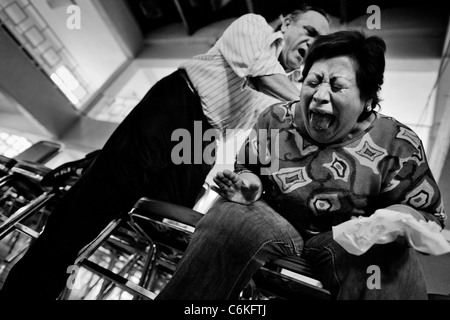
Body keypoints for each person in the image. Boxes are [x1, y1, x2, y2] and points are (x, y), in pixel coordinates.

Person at [0, 4, 330, 300]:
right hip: (177, 104)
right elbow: (260, 75)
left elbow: (269, 139)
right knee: (93, 206)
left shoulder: (287, 90)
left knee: (164, 218)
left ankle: (95, 161)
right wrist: (315, 104)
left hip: (203, 139)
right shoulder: (255, 26)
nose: (311, 45)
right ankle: (26, 292)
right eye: (309, 32)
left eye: (319, 43)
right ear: (286, 23)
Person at [156, 30, 447, 300]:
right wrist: (250, 186)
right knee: (230, 216)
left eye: (337, 86)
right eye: (313, 81)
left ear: (367, 100)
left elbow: (427, 212)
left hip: (347, 238)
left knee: (386, 261)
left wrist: (395, 219)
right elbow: (249, 168)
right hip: (276, 219)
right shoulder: (276, 118)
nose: (320, 95)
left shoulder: (397, 143)